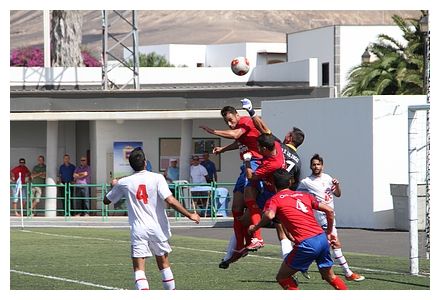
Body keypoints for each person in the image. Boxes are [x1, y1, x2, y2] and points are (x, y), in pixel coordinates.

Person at [103, 147, 200, 290]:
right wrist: (190, 214)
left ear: (131, 165)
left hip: (138, 229)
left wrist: (114, 186)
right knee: (164, 265)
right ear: (145, 162)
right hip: (158, 227)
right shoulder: (157, 178)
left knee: (139, 269)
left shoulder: (125, 182)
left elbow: (106, 201)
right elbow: (171, 200)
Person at [248, 168, 348, 290]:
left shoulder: (274, 199)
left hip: (307, 244)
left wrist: (255, 227)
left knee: (282, 277)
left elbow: (270, 215)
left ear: (273, 184)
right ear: (290, 182)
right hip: (322, 239)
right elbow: (330, 210)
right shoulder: (305, 195)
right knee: (330, 276)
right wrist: (329, 232)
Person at [200, 105, 264, 259]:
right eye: (226, 121)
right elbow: (239, 142)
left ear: (237, 115)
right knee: (236, 208)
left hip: (256, 163)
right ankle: (242, 245)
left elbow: (236, 134)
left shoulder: (247, 121)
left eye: (230, 120)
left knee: (249, 198)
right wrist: (223, 149)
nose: (229, 124)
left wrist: (213, 132)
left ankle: (258, 237)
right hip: (245, 166)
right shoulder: (239, 128)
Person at [297, 153, 365, 282]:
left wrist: (337, 185)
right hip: (321, 217)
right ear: (311, 166)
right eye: (314, 164)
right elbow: (298, 196)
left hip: (331, 215)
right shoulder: (306, 182)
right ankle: (348, 273)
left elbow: (338, 194)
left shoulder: (328, 178)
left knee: (322, 245)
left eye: (318, 164)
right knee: (335, 243)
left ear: (322, 165)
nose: (316, 166)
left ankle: (302, 265)